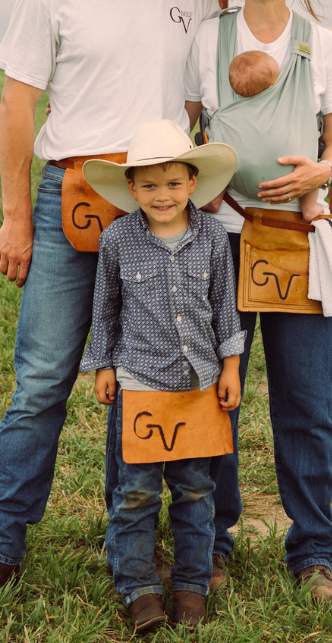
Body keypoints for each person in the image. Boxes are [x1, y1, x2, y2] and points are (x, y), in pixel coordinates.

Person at [0, 0, 224, 608]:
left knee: (146, 378)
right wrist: (15, 216)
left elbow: (210, 103)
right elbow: (18, 104)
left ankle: (132, 551)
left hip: (162, 208)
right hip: (71, 202)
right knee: (41, 383)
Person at [184, 0, 332, 605]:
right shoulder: (206, 38)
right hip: (221, 237)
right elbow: (183, 123)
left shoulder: (324, 41)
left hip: (296, 239)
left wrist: (325, 170)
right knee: (215, 395)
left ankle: (314, 548)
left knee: (308, 400)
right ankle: (212, 540)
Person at [80, 121, 243, 631]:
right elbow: (105, 310)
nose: (162, 195)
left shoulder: (214, 238)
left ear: (193, 183)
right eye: (149, 185)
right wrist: (103, 364)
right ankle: (140, 589)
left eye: (173, 184)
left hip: (198, 390)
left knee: (196, 491)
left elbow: (225, 309)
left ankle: (192, 588)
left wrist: (231, 366)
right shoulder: (118, 240)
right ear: (131, 188)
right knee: (135, 493)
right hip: (139, 386)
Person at [227, 51, 322, 222]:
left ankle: (214, 200)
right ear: (272, 89)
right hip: (286, 173)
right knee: (310, 155)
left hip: (238, 178)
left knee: (219, 157)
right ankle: (309, 208)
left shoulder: (232, 112)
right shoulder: (282, 108)